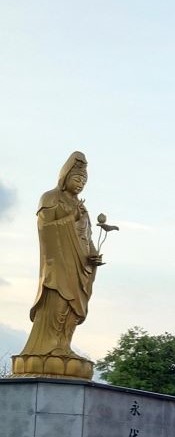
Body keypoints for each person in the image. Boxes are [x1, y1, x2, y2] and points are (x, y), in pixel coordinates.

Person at [21, 152, 102, 362]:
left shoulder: (82, 208)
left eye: (84, 181)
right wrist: (70, 218)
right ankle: (46, 349)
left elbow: (87, 236)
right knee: (58, 301)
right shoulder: (50, 198)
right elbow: (45, 229)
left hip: (79, 266)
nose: (81, 184)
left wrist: (92, 255)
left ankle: (64, 345)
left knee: (74, 308)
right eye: (77, 178)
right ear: (65, 177)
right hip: (58, 264)